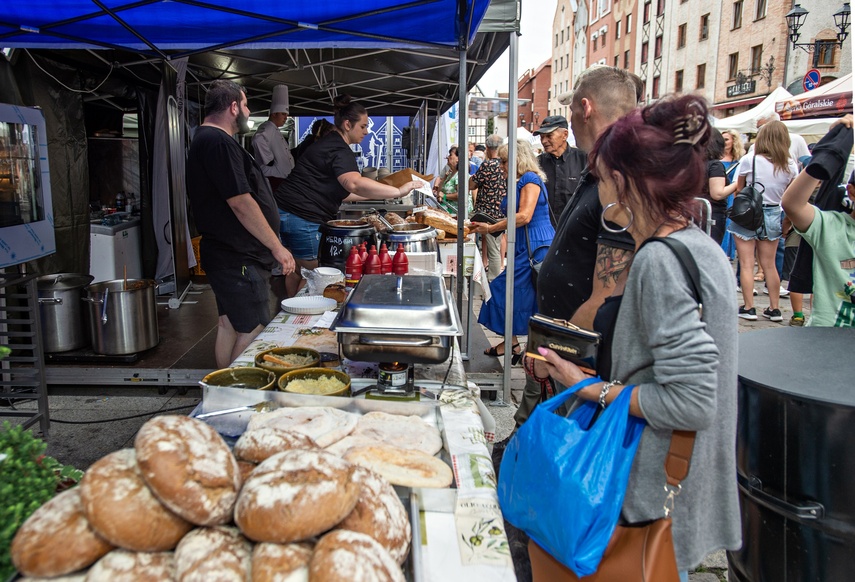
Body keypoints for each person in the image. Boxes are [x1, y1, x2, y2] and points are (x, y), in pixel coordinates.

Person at [538, 94, 741, 578]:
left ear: (624, 183)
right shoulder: (697, 245)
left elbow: (693, 400)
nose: (601, 189)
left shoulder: (659, 260)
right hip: (679, 483)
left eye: (604, 178)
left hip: (650, 485)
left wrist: (584, 385)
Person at [515, 65, 639, 426]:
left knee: (557, 441)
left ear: (585, 108)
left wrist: (554, 347)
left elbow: (607, 292)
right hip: (562, 337)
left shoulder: (617, 177)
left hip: (578, 352)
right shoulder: (598, 167)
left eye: (571, 111)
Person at [186, 80, 296, 369]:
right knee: (254, 328)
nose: (248, 112)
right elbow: (241, 203)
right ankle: (232, 393)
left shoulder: (206, 139)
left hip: (225, 254)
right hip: (238, 257)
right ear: (234, 107)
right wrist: (277, 247)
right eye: (246, 105)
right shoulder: (218, 142)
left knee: (228, 324)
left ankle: (218, 391)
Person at [275, 95, 421, 296]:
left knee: (296, 270)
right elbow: (354, 183)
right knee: (315, 275)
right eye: (362, 127)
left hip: (284, 211)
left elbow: (345, 192)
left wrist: (381, 195)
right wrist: (398, 191)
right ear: (347, 124)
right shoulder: (339, 149)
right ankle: (301, 320)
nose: (367, 132)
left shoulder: (329, 143)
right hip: (303, 216)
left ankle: (289, 308)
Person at [471, 139, 554, 359]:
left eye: (504, 161)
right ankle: (515, 344)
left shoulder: (529, 179)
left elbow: (524, 216)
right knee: (519, 293)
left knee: (502, 289)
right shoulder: (522, 180)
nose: (501, 166)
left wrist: (491, 227)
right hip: (527, 244)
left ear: (517, 160)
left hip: (534, 245)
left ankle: (523, 346)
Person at [781, 115, 855, 327]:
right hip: (827, 340)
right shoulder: (832, 227)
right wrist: (830, 150)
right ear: (851, 191)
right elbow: (792, 204)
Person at [728, 120, 797, 322]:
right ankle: (775, 309)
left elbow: (739, 188)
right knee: (769, 265)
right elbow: (791, 194)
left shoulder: (751, 160)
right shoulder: (790, 165)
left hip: (749, 213)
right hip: (774, 213)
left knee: (747, 264)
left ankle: (749, 308)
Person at [533, 115, 587, 228]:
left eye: (549, 136)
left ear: (565, 135)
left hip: (575, 228)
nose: (544, 141)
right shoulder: (537, 163)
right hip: (545, 230)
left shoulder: (584, 159)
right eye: (541, 137)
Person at [469, 134, 508, 282]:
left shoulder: (488, 165)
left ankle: (493, 280)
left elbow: (472, 184)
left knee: (493, 250)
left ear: (487, 148)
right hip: (502, 211)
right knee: (496, 247)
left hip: (487, 214)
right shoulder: (506, 164)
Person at [252, 85, 295, 193]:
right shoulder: (267, 127)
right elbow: (257, 139)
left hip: (282, 179)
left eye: (286, 115)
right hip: (274, 180)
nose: (285, 118)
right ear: (274, 114)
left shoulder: (274, 129)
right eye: (283, 114)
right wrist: (269, 160)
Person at [703, 129, 738, 245]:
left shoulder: (692, 163)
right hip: (712, 216)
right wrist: (737, 183)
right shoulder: (715, 165)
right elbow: (717, 193)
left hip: (694, 214)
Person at [433, 146, 472, 216]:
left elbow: (461, 195)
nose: (448, 157)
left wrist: (444, 196)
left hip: (457, 214)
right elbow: (440, 191)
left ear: (458, 158)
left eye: (451, 155)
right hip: (448, 212)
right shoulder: (450, 174)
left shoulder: (460, 174)